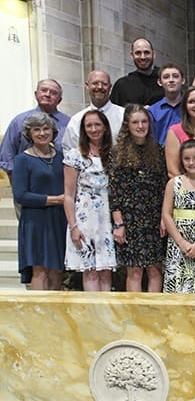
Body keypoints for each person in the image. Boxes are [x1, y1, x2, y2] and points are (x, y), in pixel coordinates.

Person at [109, 104, 168, 292]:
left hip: (153, 217)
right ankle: (135, 317)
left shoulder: (158, 150)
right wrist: (118, 223)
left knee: (155, 268)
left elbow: (163, 186)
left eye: (144, 122)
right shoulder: (117, 152)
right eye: (135, 122)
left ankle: (153, 314)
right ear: (127, 125)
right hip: (129, 219)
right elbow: (114, 191)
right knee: (134, 270)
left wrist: (164, 219)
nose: (140, 126)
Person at [63, 110, 116, 291]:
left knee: (106, 269)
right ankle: (93, 316)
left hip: (108, 218)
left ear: (105, 127)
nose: (94, 129)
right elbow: (69, 195)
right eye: (89, 126)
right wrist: (73, 226)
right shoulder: (75, 155)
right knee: (91, 270)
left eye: (97, 125)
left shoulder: (114, 154)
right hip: (85, 218)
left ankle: (107, 316)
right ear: (84, 130)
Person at [13, 112, 66, 290]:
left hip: (59, 219)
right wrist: (54, 200)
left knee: (57, 269)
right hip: (36, 221)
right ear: (29, 134)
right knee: (40, 269)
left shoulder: (61, 156)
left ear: (53, 131)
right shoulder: (22, 160)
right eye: (37, 130)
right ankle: (39, 314)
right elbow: (20, 195)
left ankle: (55, 314)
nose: (42, 133)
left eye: (46, 129)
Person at [162, 139, 195, 294]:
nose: (191, 162)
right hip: (178, 244)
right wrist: (181, 242)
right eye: (187, 159)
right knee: (176, 286)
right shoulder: (174, 183)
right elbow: (166, 214)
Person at [0, 79, 70, 183]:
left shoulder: (69, 123)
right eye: (44, 90)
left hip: (61, 182)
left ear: (60, 99)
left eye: (54, 93)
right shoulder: (19, 121)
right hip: (27, 183)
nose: (48, 94)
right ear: (36, 94)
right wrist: (17, 181)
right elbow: (7, 153)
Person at [63, 70, 124, 152]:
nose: (99, 87)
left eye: (104, 84)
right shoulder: (77, 120)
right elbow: (69, 150)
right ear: (87, 85)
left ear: (110, 87)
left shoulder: (124, 115)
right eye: (95, 83)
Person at [110, 37, 164, 106]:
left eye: (146, 52)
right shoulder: (122, 85)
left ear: (153, 54)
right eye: (138, 53)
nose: (142, 57)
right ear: (132, 55)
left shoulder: (165, 82)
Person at [148, 63, 185, 145]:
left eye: (175, 76)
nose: (171, 80)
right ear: (160, 82)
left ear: (183, 80)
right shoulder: (152, 111)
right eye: (166, 77)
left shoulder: (191, 108)